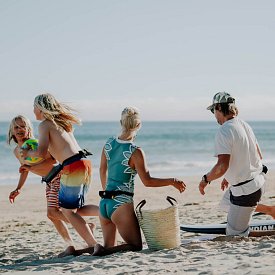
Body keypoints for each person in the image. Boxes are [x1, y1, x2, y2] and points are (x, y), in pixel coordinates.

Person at [92, 107, 186, 256]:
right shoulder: (135, 151)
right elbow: (147, 181)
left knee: (108, 248)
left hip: (104, 203)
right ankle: (99, 249)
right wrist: (172, 181)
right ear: (138, 126)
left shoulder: (108, 144)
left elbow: (102, 170)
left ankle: (75, 251)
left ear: (120, 122)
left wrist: (107, 194)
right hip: (120, 204)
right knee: (136, 246)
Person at [8, 115, 98, 257]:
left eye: (23, 126)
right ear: (11, 131)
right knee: (55, 215)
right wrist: (18, 188)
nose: (20, 129)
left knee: (53, 212)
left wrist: (30, 168)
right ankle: (71, 244)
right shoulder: (16, 151)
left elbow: (53, 162)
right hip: (48, 181)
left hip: (58, 176)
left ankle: (83, 231)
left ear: (29, 129)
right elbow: (24, 170)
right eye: (16, 127)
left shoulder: (35, 145)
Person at [199, 92, 275, 237]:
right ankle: (270, 210)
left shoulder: (224, 130)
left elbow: (221, 167)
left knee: (235, 235)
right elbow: (258, 155)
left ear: (219, 108)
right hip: (259, 181)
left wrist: (205, 180)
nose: (214, 115)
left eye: (213, 110)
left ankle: (260, 232)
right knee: (226, 203)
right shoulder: (244, 124)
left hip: (246, 192)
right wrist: (230, 176)